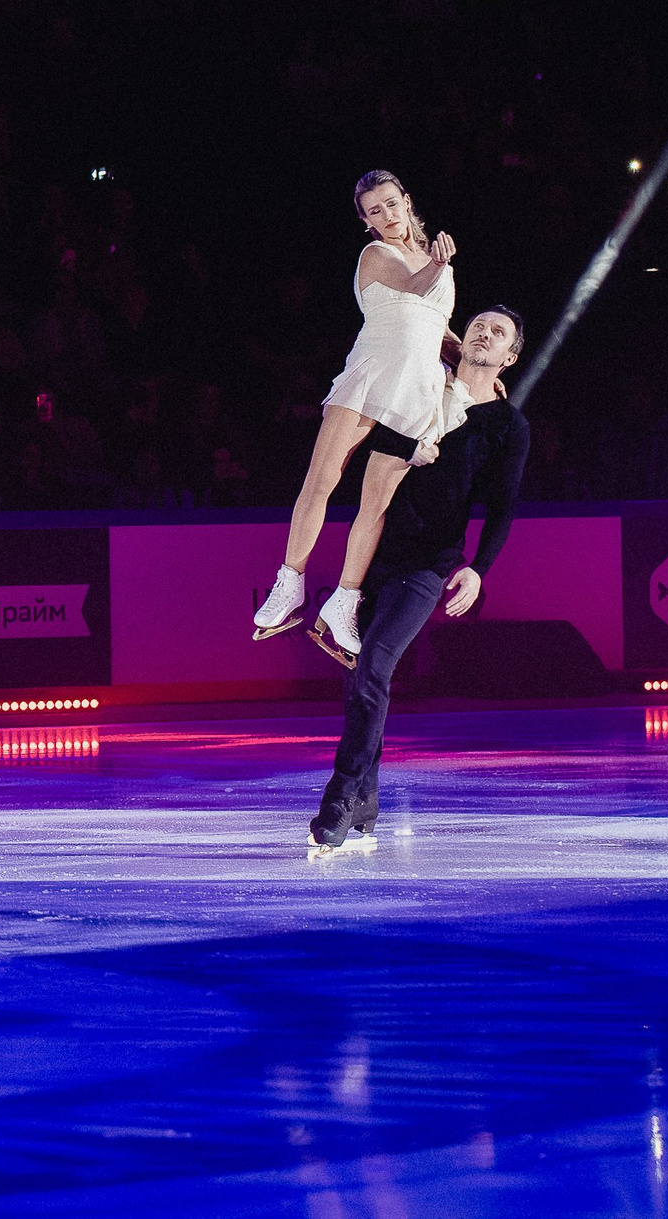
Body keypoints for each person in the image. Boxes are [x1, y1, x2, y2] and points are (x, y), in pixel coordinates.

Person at [309, 305, 530, 851]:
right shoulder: (422, 386)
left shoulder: (507, 425)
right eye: (479, 324)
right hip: (371, 552)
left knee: (374, 666)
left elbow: (503, 505)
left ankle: (340, 795)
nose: (484, 332)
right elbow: (377, 444)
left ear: (510, 356)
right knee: (357, 674)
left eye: (497, 332)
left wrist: (479, 569)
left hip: (428, 563)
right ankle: (366, 797)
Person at [252, 170, 461, 648]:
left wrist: (472, 361)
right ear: (365, 221)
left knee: (377, 504)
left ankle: (344, 601)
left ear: (406, 201)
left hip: (415, 390)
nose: (387, 217)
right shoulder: (377, 256)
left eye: (391, 204)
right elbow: (413, 288)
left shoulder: (435, 264)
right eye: (375, 211)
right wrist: (440, 262)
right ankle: (290, 584)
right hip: (369, 377)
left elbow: (437, 328)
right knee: (322, 480)